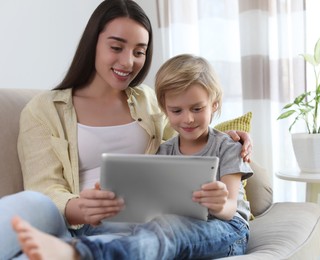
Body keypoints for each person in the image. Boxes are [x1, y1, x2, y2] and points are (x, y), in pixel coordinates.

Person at [1, 0, 252, 259]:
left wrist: (232, 136)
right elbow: (44, 187)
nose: (128, 61)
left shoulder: (148, 101)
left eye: (139, 51)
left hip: (134, 224)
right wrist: (80, 208)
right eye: (116, 47)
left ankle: (73, 253)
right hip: (76, 221)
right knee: (29, 203)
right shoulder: (44, 109)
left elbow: (189, 140)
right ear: (93, 44)